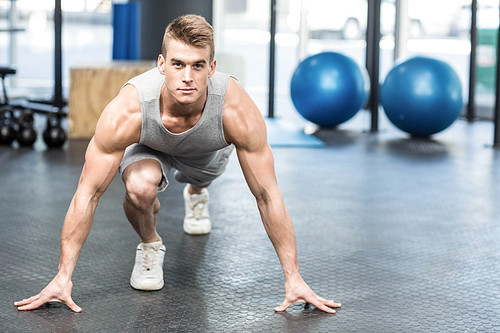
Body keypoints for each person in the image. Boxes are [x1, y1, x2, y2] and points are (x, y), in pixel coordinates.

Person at [14, 14, 341, 314]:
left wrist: (293, 277)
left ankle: (198, 191)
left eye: (198, 66)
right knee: (140, 187)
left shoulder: (235, 109)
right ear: (161, 64)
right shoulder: (130, 109)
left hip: (206, 154)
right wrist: (63, 276)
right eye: (178, 64)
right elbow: (87, 193)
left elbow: (267, 195)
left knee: (201, 177)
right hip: (149, 145)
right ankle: (151, 245)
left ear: (212, 68)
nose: (187, 77)